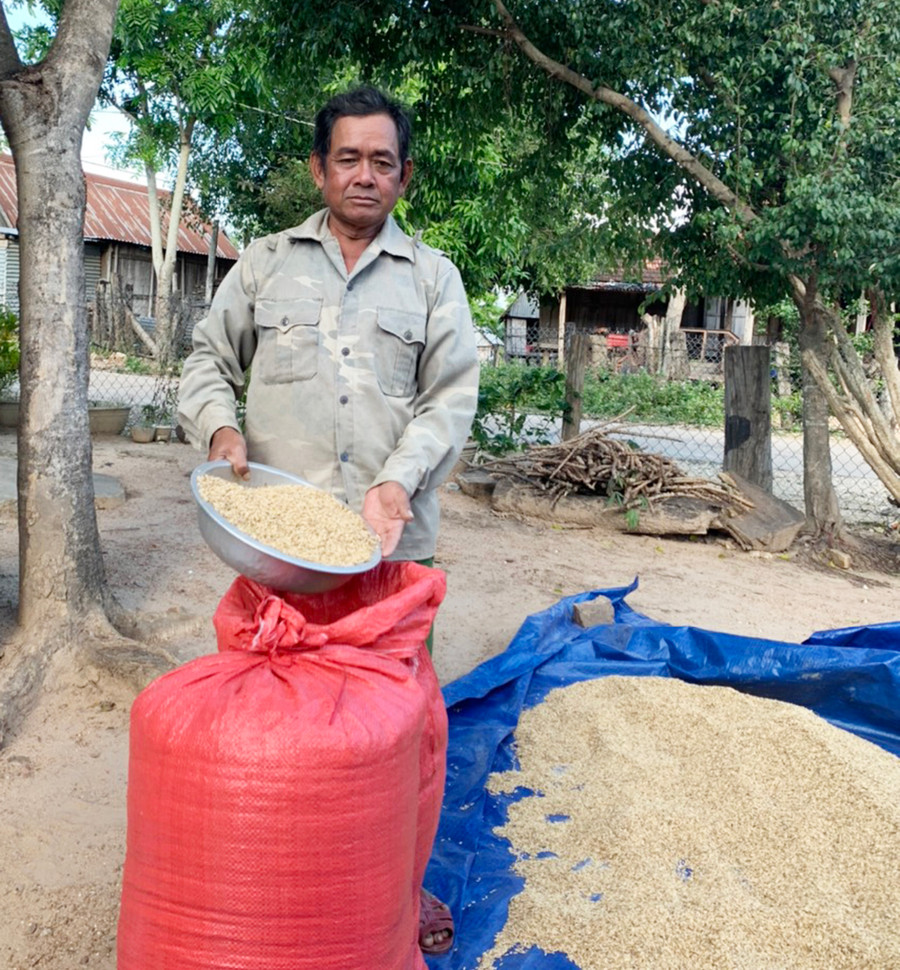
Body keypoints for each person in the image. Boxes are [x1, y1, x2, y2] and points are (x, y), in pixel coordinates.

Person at [177, 85, 479, 955]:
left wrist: (397, 483)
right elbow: (206, 359)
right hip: (279, 550)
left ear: (404, 176)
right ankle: (282, 879)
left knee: (403, 733)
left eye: (382, 161)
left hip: (389, 551)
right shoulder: (267, 263)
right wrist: (220, 426)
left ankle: (399, 888)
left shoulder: (432, 280)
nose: (364, 175)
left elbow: (450, 401)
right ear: (319, 167)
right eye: (347, 157)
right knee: (284, 729)